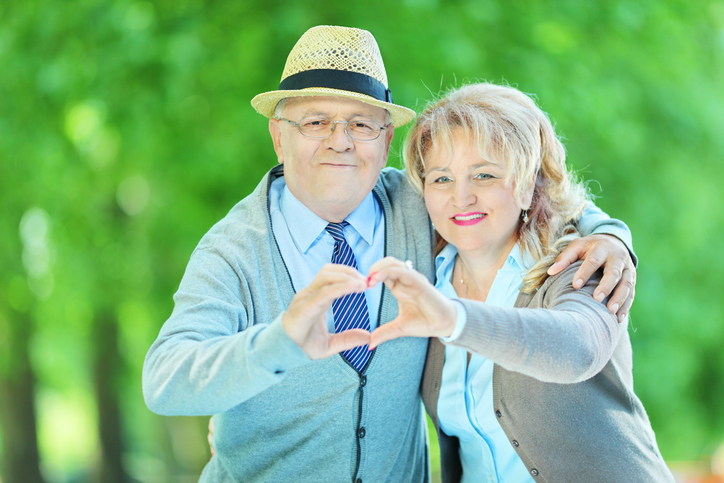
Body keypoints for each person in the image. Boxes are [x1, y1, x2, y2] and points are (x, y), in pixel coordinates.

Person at [143, 26, 637, 482]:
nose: (340, 141)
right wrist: (278, 345)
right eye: (315, 121)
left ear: (385, 141)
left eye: (362, 124)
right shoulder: (234, 248)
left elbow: (513, 187)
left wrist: (610, 234)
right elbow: (166, 378)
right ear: (278, 135)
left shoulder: (421, 205)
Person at [366, 83, 673, 482]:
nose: (462, 197)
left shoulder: (576, 264)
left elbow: (576, 348)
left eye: (485, 175)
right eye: (441, 179)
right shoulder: (427, 273)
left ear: (528, 184)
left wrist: (455, 320)